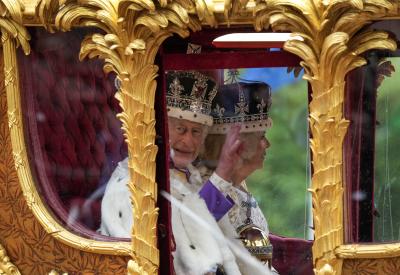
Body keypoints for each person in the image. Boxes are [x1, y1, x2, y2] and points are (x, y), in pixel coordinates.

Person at [100, 70, 271, 275]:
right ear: (160, 129)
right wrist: (223, 171)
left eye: (196, 132)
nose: (188, 141)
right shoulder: (130, 184)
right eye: (181, 129)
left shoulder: (192, 176)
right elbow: (181, 243)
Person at [197, 80, 278, 272]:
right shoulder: (204, 188)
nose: (267, 144)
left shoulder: (242, 193)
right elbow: (194, 231)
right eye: (261, 136)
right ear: (236, 144)